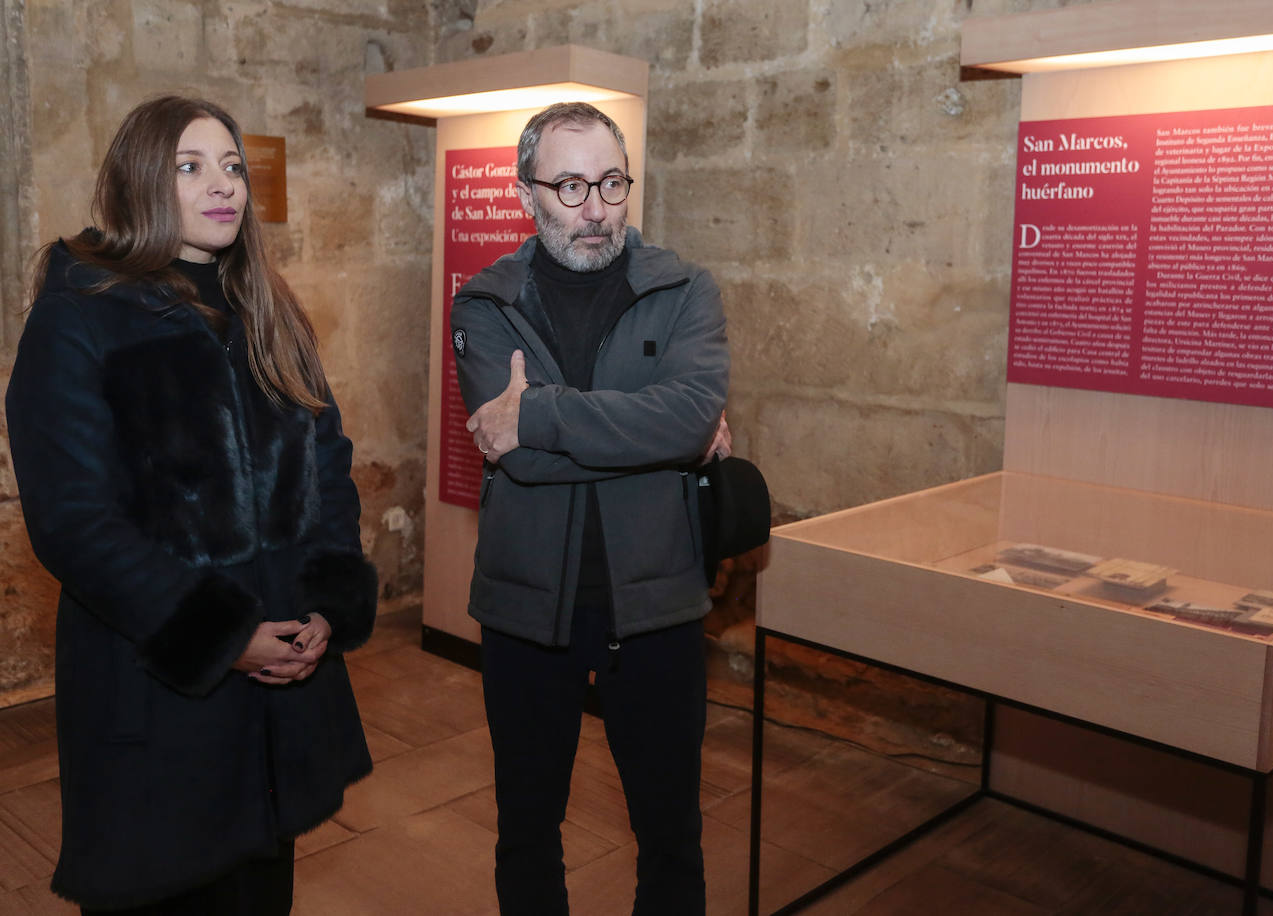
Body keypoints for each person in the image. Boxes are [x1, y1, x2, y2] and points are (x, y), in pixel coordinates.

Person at [5, 95, 377, 915]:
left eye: (233, 166)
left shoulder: (267, 308)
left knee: (258, 888)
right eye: (191, 165)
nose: (225, 186)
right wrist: (220, 635)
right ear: (141, 179)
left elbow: (329, 459)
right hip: (160, 685)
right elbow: (73, 521)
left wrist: (325, 596)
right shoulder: (80, 316)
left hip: (278, 679)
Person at [452, 101, 731, 915]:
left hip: (656, 603)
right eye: (569, 186)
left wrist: (535, 414)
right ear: (525, 193)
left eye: (611, 182)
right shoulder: (484, 302)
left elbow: (681, 418)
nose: (596, 208)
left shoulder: (685, 289)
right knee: (528, 832)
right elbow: (525, 467)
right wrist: (657, 436)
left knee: (672, 834)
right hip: (526, 608)